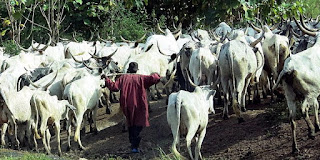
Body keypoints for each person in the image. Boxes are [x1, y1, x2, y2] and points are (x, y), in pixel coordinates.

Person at [101, 62, 161, 153]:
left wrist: (106, 79)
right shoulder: (141, 78)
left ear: (128, 70)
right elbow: (155, 78)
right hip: (139, 105)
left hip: (127, 105)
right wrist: (155, 73)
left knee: (130, 123)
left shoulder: (123, 78)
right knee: (139, 124)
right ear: (137, 70)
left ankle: (133, 144)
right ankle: (135, 145)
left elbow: (114, 87)